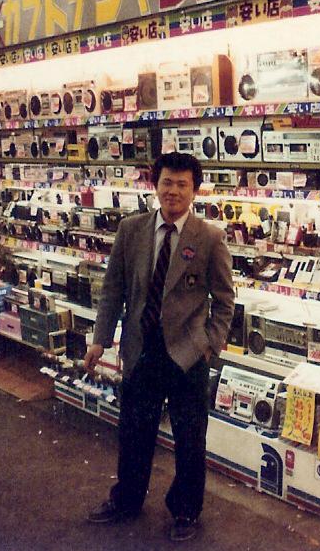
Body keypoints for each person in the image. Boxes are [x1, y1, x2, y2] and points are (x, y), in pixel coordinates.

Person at [84, 152, 235, 542]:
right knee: (134, 432)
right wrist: (100, 340)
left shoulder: (209, 238)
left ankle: (186, 511)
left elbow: (225, 300)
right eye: (167, 182)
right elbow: (112, 291)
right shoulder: (131, 230)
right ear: (156, 184)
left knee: (189, 439)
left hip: (187, 356)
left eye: (183, 184)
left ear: (195, 190)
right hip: (140, 349)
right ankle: (127, 500)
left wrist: (208, 345)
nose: (174, 191)